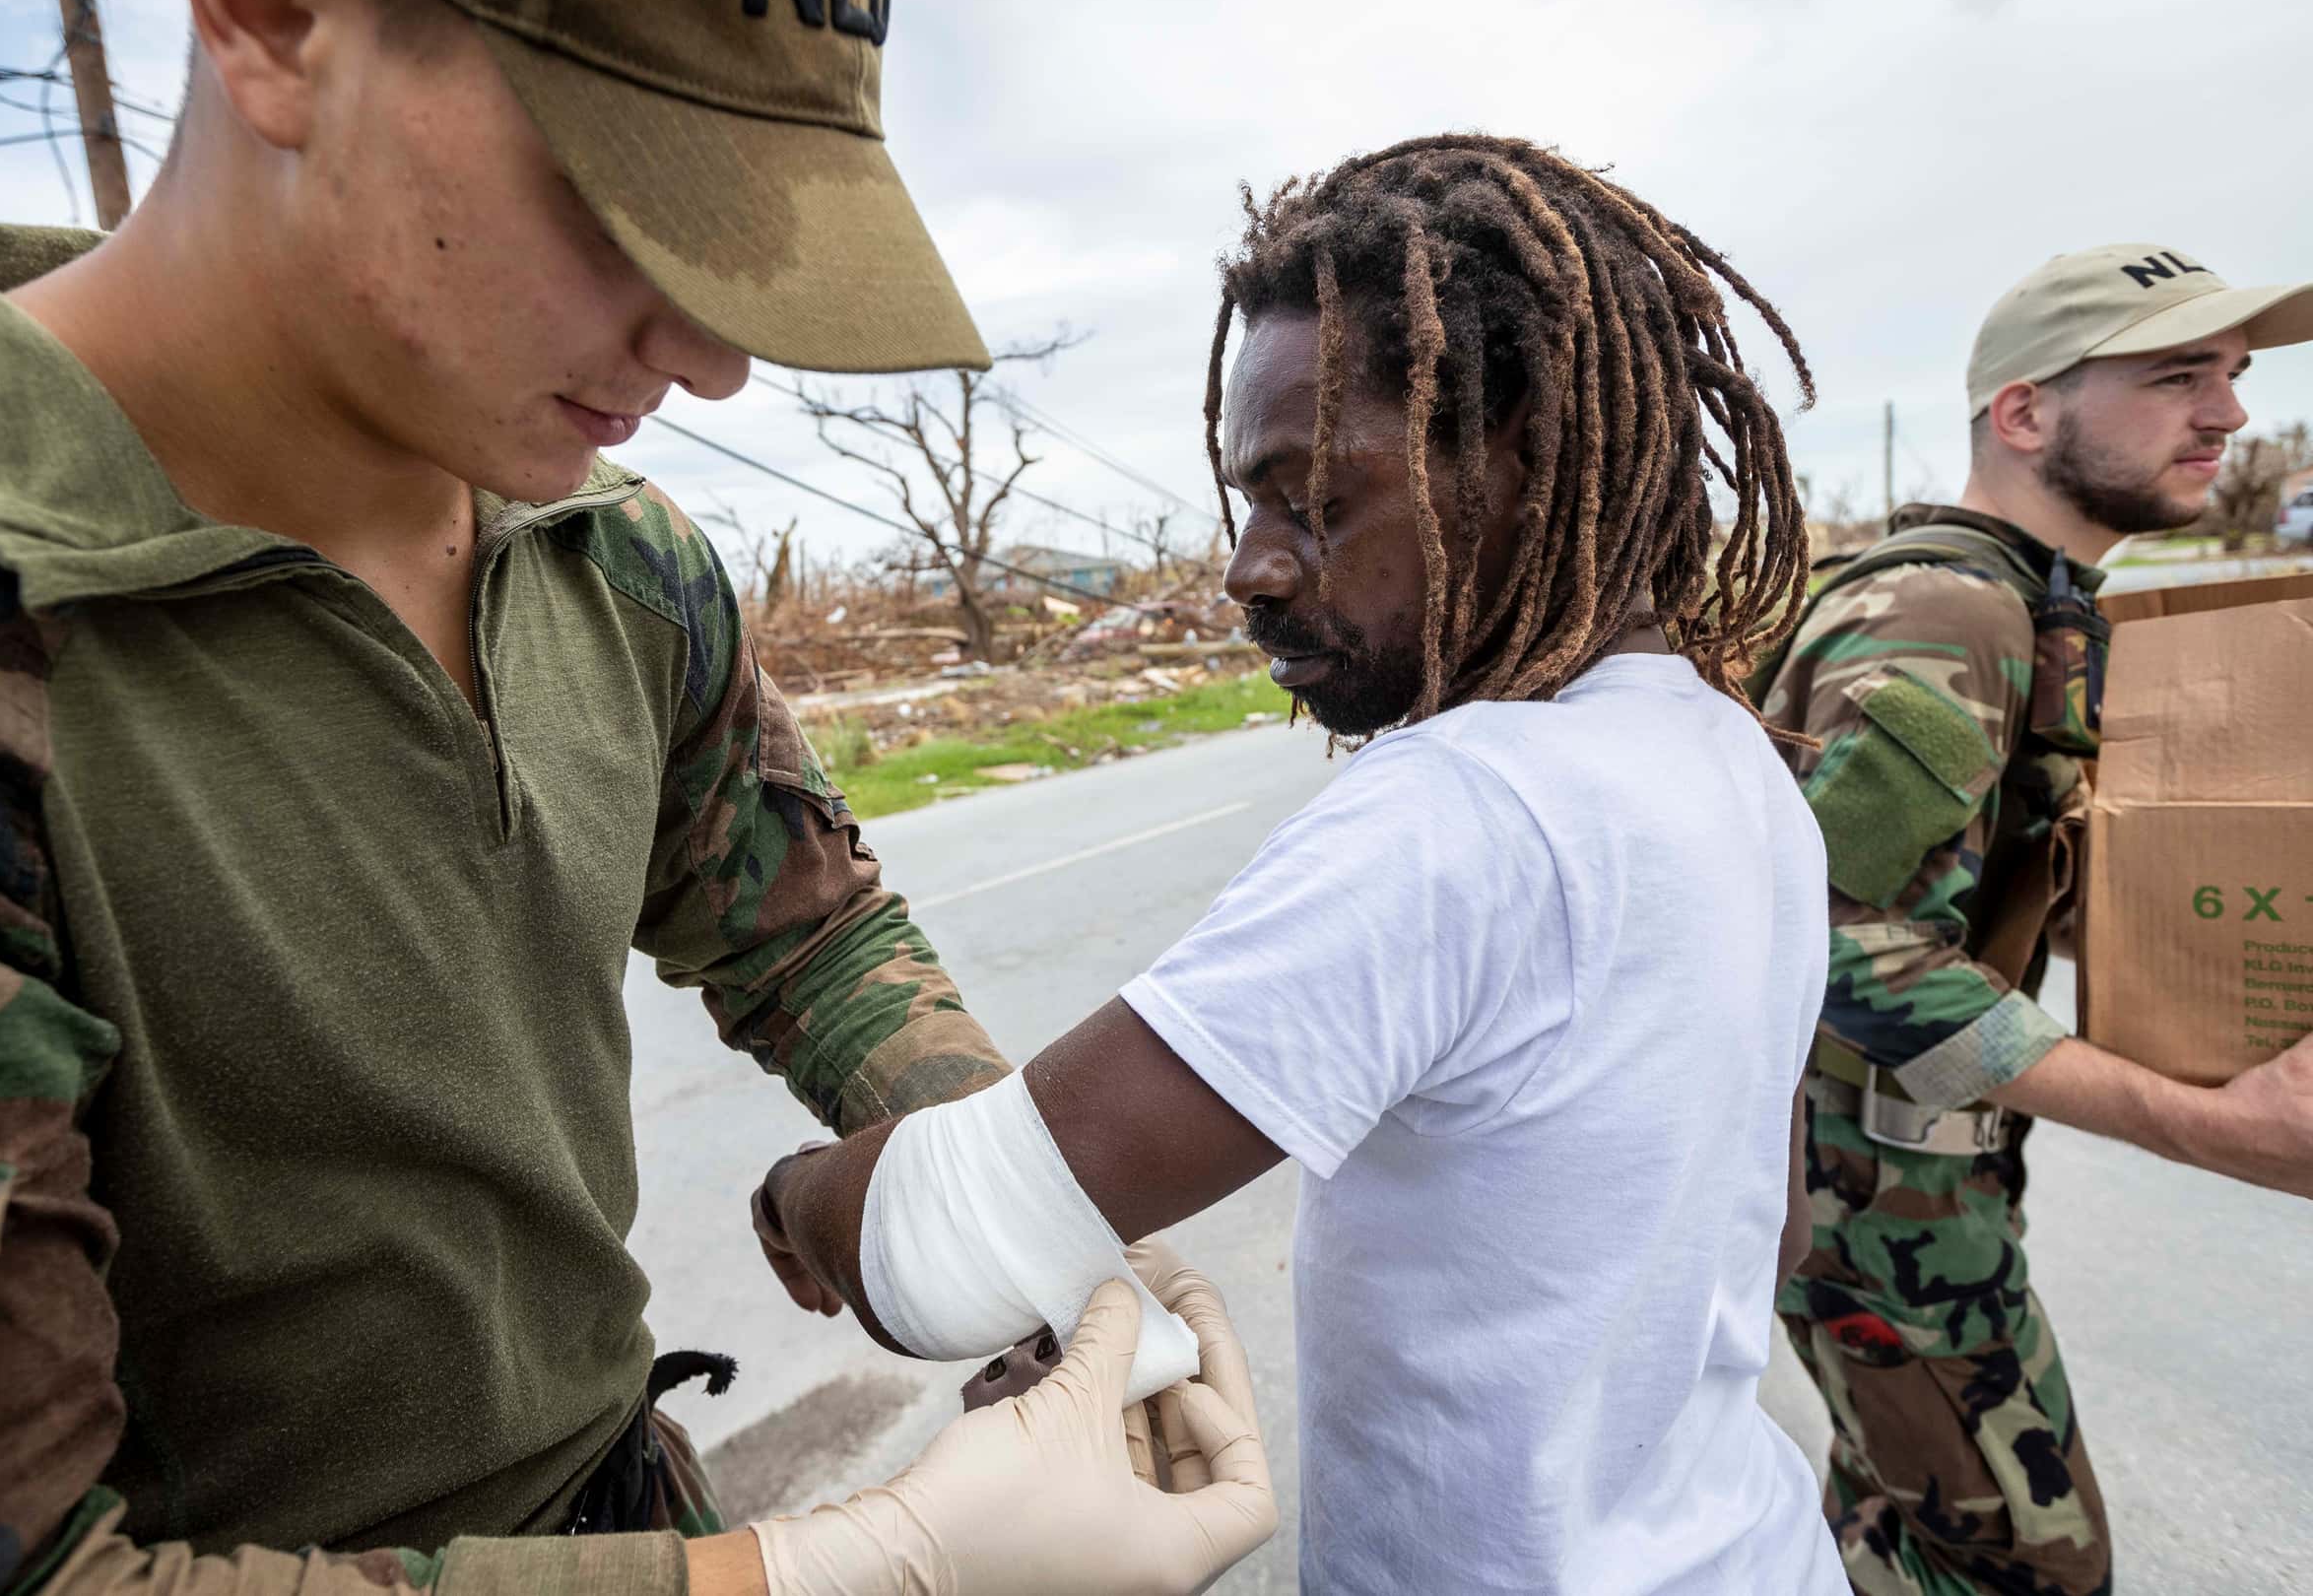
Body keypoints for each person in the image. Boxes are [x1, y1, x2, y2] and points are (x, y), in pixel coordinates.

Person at [0, 0, 1274, 1593]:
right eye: (632, 204)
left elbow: (804, 927)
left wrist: (1023, 1222)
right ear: (272, 11)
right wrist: (868, 1569)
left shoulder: (611, 554)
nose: (713, 356)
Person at [753, 133, 1849, 1594]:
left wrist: (804, 1195)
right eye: (1247, 500)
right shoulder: (1731, 763)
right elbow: (1748, 1244)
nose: (1248, 566)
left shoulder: (1463, 810)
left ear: (1521, 447)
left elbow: (949, 1247)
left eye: (1317, 498)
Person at [1760, 242, 2313, 1596]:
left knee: (1902, 1533)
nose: (2229, 414)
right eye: (2180, 375)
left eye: (2233, 376)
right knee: (2031, 1569)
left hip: (1912, 1195)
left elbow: (1992, 886)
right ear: (2023, 414)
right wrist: (2211, 1125)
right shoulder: (1951, 613)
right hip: (1870, 1210)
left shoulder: (2035, 605)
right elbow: (1830, 940)